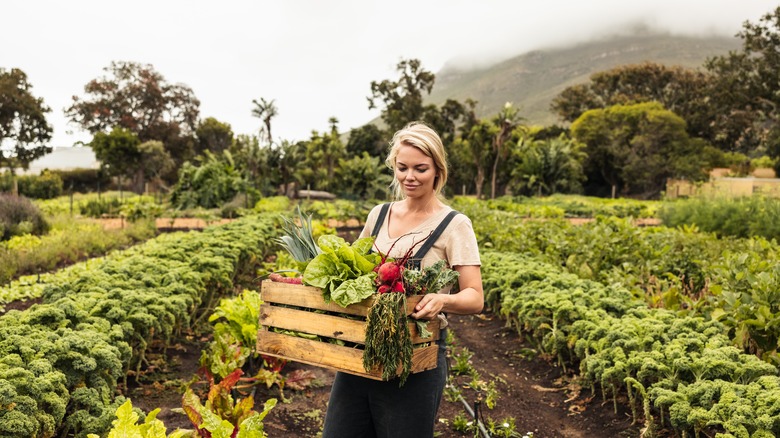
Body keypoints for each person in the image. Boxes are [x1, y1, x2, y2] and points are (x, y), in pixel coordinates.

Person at [322, 121, 484, 438]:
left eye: (420, 169)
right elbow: (358, 273)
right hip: (362, 351)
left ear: (438, 170)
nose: (409, 177)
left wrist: (443, 299)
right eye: (402, 167)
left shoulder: (454, 225)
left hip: (415, 359)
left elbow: (475, 296)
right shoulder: (379, 214)